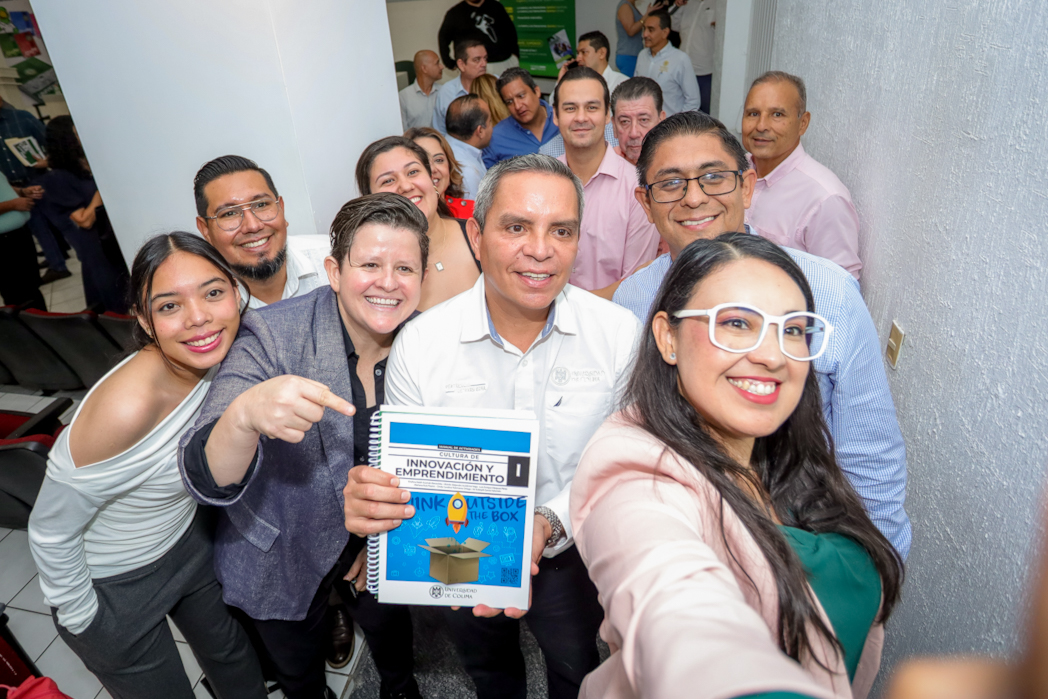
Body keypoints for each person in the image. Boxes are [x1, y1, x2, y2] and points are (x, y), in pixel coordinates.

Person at [343, 154, 641, 699]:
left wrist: (548, 521)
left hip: (567, 549)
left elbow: (624, 459)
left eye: (561, 230)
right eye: (516, 227)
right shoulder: (422, 343)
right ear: (477, 237)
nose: (541, 249)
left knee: (575, 662)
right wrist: (379, 497)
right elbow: (409, 468)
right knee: (487, 665)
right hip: (460, 546)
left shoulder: (619, 335)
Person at [571, 232, 904, 699]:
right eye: (735, 324)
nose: (772, 355)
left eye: (792, 330)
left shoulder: (788, 454)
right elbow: (672, 605)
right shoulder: (636, 473)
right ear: (668, 337)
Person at [613, 111, 912, 559]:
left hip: (801, 548)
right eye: (671, 183)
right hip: (677, 548)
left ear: (747, 187)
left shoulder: (827, 292)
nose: (694, 198)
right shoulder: (634, 299)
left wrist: (874, 570)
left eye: (714, 177)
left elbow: (870, 456)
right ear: (645, 201)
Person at [179, 194, 429, 699]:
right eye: (370, 264)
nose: (388, 282)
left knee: (394, 648)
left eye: (405, 267)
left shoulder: (430, 341)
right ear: (334, 271)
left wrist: (380, 541)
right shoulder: (272, 333)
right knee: (299, 674)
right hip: (282, 549)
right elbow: (205, 473)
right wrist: (244, 415)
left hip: (378, 540)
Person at [28, 232, 267, 699]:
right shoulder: (126, 408)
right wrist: (85, 618)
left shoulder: (229, 349)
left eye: (213, 292)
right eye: (170, 305)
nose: (198, 318)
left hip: (186, 542)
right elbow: (49, 532)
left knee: (234, 659)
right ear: (143, 318)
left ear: (236, 292)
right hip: (112, 582)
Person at [742, 71, 863, 279]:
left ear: (803, 123)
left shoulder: (825, 199)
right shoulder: (733, 172)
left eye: (777, 115)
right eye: (753, 114)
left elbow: (839, 288)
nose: (761, 126)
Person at [552, 66, 659, 291]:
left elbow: (635, 285)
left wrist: (567, 307)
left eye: (592, 107)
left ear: (607, 115)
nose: (581, 117)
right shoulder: (543, 182)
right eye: (570, 108)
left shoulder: (636, 189)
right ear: (555, 116)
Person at [357, 136, 480, 310]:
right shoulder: (371, 273)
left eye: (413, 172)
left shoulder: (479, 236)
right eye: (388, 180)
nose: (406, 186)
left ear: (431, 179)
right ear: (371, 200)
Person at [194, 155, 331, 309]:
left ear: (281, 208)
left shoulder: (337, 258)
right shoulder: (200, 305)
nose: (253, 226)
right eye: (229, 213)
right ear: (205, 230)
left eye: (261, 205)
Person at [36, 115, 129, 314]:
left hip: (116, 237)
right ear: (67, 139)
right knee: (114, 301)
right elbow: (84, 220)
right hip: (97, 246)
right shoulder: (58, 177)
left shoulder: (88, 165)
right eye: (77, 133)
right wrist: (102, 187)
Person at [483, 67, 558, 167]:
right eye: (509, 102)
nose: (517, 106)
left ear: (536, 91)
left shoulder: (562, 119)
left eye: (521, 96)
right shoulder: (495, 139)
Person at [635, 9, 701, 115]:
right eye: (644, 29)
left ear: (665, 32)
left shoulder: (680, 59)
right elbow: (636, 90)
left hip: (669, 123)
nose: (645, 34)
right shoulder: (642, 55)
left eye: (651, 30)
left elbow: (693, 101)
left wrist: (678, 123)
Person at [405, 126, 475, 218]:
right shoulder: (399, 222)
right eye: (423, 162)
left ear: (449, 166)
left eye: (438, 160)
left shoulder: (474, 213)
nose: (433, 169)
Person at [0, 172, 46, 310]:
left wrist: (22, 192)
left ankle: (42, 322)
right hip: (4, 242)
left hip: (18, 235)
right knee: (18, 296)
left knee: (31, 289)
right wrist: (12, 204)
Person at [438, 0, 519, 77]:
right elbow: (443, 39)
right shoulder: (455, 13)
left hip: (504, 63)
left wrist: (515, 54)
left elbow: (510, 31)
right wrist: (449, 63)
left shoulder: (496, 6)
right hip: (474, 67)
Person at [434, 38, 489, 136]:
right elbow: (439, 132)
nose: (484, 64)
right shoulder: (446, 92)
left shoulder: (495, 84)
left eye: (485, 58)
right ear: (461, 64)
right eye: (477, 60)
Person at [445, 94, 492, 199]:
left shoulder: (445, 147)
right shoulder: (467, 171)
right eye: (490, 122)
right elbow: (474, 207)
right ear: (480, 131)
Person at [611, 77, 666, 165]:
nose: (634, 134)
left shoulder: (681, 164)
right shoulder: (604, 166)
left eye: (643, 120)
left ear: (661, 121)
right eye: (625, 121)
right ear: (614, 126)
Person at [672, 0, 715, 113]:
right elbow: (672, 24)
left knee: (704, 114)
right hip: (682, 69)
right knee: (680, 112)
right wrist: (678, 5)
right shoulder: (688, 3)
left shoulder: (718, 5)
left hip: (704, 71)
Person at [399, 50, 444, 131]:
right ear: (424, 68)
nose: (441, 67)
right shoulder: (403, 97)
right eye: (437, 63)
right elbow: (402, 132)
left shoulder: (444, 92)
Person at [615, 0, 648, 77]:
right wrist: (646, 16)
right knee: (630, 84)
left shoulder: (631, 5)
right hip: (629, 55)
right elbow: (630, 31)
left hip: (632, 54)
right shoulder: (625, 6)